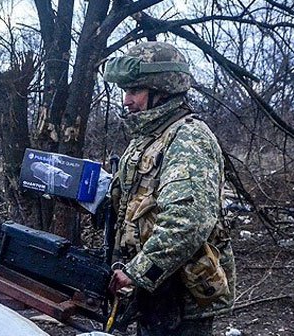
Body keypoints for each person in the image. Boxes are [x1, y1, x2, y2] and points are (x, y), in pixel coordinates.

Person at [102, 41, 235, 335]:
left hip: (181, 296)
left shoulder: (187, 138)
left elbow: (186, 222)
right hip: (157, 291)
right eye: (126, 91)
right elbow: (133, 199)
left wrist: (137, 271)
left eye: (134, 91)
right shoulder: (151, 136)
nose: (126, 100)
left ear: (162, 91)